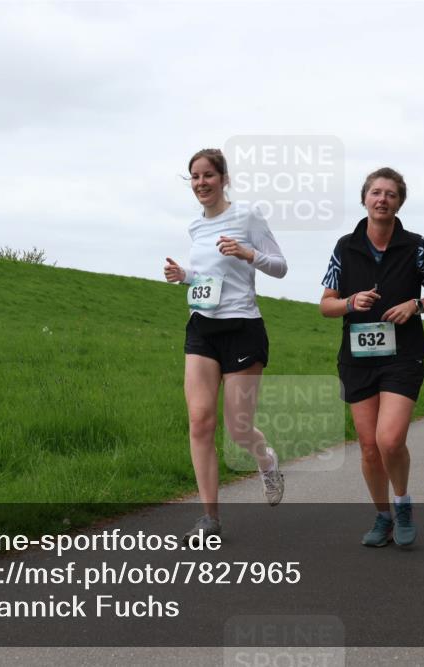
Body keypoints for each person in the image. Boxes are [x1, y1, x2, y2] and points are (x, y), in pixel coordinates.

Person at [163, 148, 288, 543]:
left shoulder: (247, 216)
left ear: (223, 178)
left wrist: (248, 253)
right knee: (200, 421)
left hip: (242, 328)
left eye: (208, 176)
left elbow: (281, 266)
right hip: (202, 327)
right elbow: (206, 275)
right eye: (195, 177)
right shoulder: (195, 228)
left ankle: (266, 462)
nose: (201, 183)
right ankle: (210, 518)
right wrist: (183, 274)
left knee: (238, 429)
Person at [319, 167, 424, 547]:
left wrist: (415, 305)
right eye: (376, 192)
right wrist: (349, 302)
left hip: (403, 355)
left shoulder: (417, 246)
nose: (382, 199)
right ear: (364, 199)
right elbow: (325, 305)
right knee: (369, 446)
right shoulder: (345, 246)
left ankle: (403, 504)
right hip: (357, 359)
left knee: (389, 440)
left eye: (390, 194)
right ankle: (382, 517)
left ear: (399, 202)